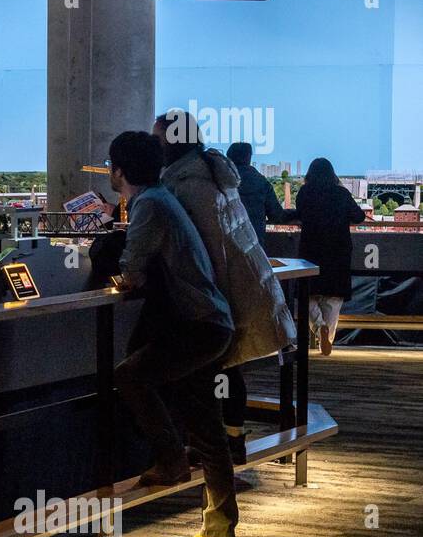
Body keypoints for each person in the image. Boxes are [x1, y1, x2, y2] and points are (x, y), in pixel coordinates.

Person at [108, 131, 239, 537]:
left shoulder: (149, 203)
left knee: (130, 375)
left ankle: (170, 461)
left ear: (120, 170)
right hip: (211, 324)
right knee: (207, 429)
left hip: (195, 325)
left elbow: (132, 272)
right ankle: (219, 531)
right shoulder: (164, 198)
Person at [154, 111, 297, 470]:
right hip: (245, 281)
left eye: (157, 139)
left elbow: (203, 245)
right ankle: (229, 441)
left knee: (208, 369)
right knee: (226, 367)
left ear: (172, 142)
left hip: (224, 289)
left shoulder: (188, 183)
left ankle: (215, 448)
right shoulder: (210, 173)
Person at [290, 157, 365, 356]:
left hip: (311, 250)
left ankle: (319, 326)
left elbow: (300, 212)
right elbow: (359, 216)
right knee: (333, 298)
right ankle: (328, 337)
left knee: (307, 294)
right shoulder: (342, 194)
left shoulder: (305, 192)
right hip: (337, 251)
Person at [226, 140, 294, 240]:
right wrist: (295, 213)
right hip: (254, 243)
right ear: (248, 157)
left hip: (223, 246)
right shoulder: (261, 182)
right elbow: (276, 215)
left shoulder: (218, 181)